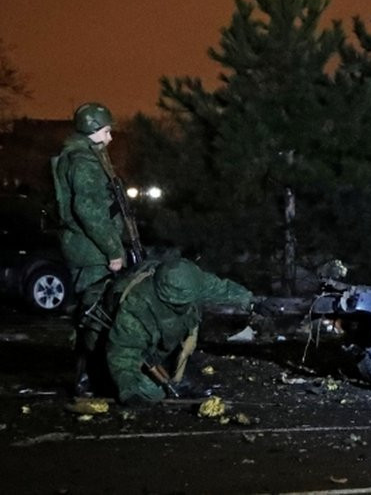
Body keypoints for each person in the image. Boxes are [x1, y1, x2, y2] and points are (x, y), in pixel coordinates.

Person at [52, 102, 126, 394]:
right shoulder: (83, 162)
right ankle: (88, 379)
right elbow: (89, 211)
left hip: (86, 249)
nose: (110, 138)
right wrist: (113, 251)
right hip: (91, 251)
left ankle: (90, 376)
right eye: (106, 131)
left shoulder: (82, 156)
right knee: (95, 313)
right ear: (93, 130)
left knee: (91, 312)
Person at [105, 258, 253, 404]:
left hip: (165, 337)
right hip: (133, 344)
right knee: (152, 393)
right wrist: (133, 390)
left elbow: (219, 289)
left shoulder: (190, 280)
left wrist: (250, 302)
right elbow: (123, 353)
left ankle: (171, 370)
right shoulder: (138, 308)